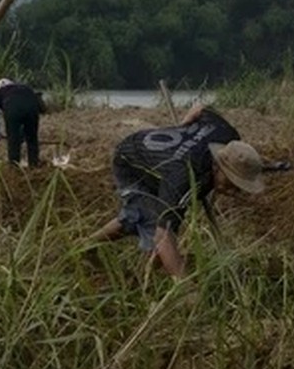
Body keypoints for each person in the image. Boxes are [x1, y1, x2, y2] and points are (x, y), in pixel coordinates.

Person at [88, 102, 267, 278]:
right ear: (217, 166)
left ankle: (90, 247)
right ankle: (145, 280)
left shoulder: (227, 134)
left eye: (240, 186)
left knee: (143, 215)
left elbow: (200, 108)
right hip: (131, 160)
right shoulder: (183, 178)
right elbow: (163, 236)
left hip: (161, 164)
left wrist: (181, 128)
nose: (234, 191)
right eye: (231, 183)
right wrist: (186, 284)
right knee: (151, 220)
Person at [0, 78, 45, 167]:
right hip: (32, 109)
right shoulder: (26, 88)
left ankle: (14, 165)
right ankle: (34, 164)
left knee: (13, 139)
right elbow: (42, 108)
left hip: (12, 109)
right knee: (32, 139)